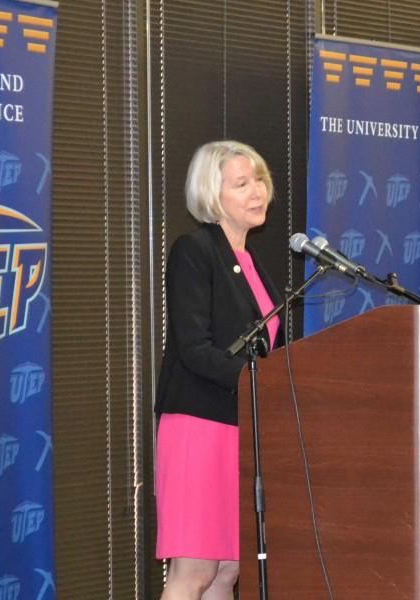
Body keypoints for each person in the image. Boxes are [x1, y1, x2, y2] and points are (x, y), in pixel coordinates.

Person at [155, 140, 282, 600]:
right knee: (194, 572)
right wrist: (254, 384)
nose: (257, 192)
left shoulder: (251, 262)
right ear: (213, 194)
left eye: (260, 180)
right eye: (241, 183)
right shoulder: (194, 250)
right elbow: (194, 347)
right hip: (198, 426)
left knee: (227, 571)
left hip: (239, 429)